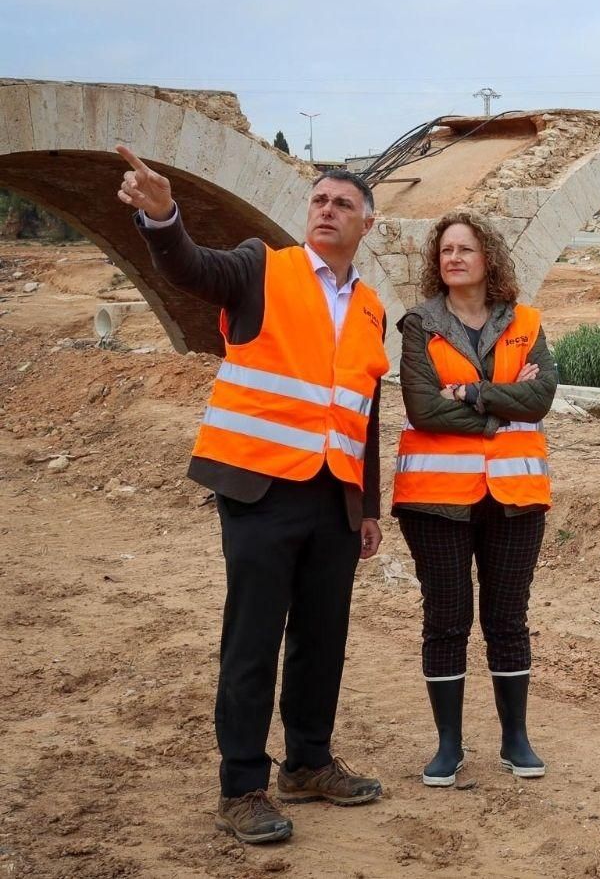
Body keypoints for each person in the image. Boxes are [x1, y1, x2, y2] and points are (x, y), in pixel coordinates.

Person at [118, 145, 387, 844]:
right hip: (260, 488)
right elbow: (191, 267)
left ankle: (309, 762)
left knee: (322, 637)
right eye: (320, 201)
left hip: (334, 494)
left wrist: (367, 508)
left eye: (343, 205)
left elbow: (364, 412)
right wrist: (163, 219)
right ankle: (241, 786)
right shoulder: (262, 267)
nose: (327, 211)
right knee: (254, 639)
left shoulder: (370, 309)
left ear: (368, 224)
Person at [392, 210, 558, 788]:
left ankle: (516, 740)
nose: (454, 258)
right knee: (447, 620)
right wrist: (495, 412)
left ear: (489, 257)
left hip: (514, 495)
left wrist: (471, 391)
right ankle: (449, 745)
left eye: (465, 248)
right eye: (445, 251)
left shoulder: (526, 321)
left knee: (507, 618)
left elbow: (539, 398)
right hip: (436, 499)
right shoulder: (419, 325)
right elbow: (422, 407)